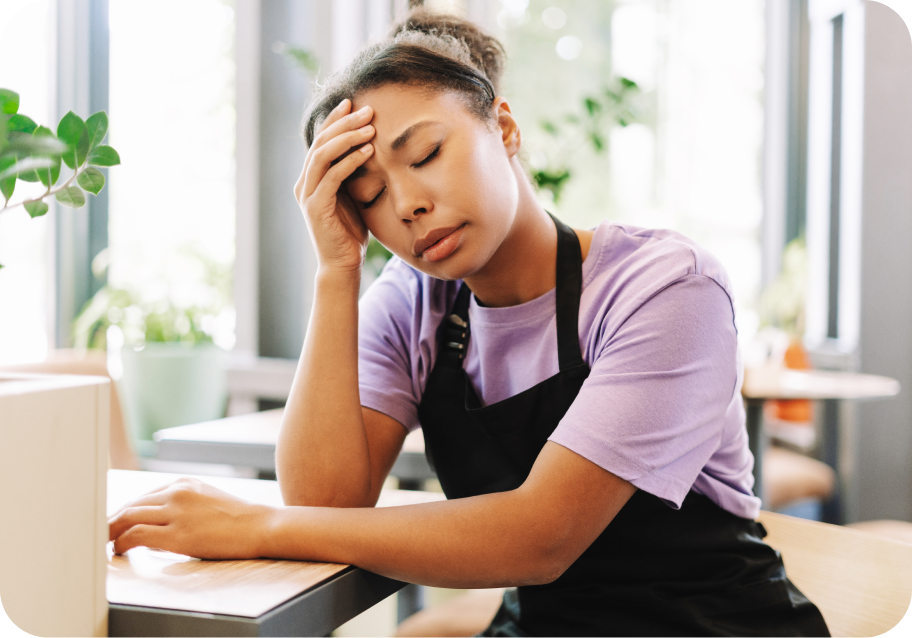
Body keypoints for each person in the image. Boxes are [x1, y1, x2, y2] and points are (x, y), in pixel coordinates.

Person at [108, 8, 830, 637]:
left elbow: (540, 539)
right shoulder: (415, 302)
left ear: (504, 126)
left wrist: (256, 524)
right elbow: (328, 505)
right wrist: (336, 272)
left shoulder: (665, 287)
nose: (408, 205)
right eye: (368, 198)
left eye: (425, 154)